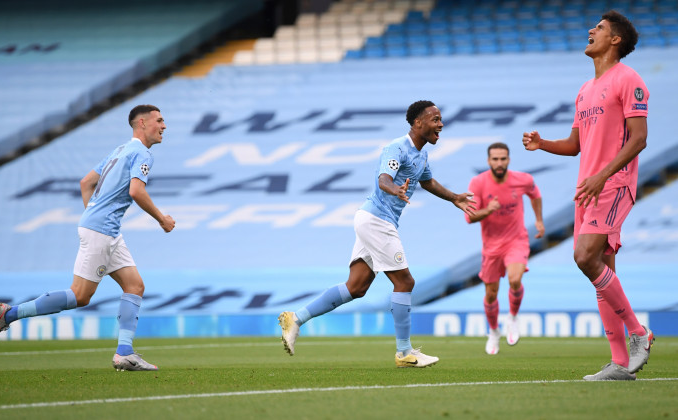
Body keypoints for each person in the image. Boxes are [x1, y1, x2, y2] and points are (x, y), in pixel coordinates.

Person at [279, 100, 476, 367]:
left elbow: (427, 181)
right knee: (405, 282)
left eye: (440, 119)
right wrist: (394, 189)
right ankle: (404, 352)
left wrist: (454, 197)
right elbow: (384, 178)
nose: (440, 124)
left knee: (356, 287)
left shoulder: (421, 154)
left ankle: (296, 318)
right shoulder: (396, 148)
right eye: (435, 119)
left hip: (374, 220)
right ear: (418, 123)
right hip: (376, 221)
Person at [0, 104, 176, 371]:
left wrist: (93, 214)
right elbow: (136, 191)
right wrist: (162, 219)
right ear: (142, 123)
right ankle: (10, 314)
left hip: (105, 229)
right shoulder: (142, 154)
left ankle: (124, 353)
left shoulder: (120, 150)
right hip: (102, 230)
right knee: (80, 295)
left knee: (135, 286)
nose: (164, 126)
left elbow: (85, 183)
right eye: (159, 120)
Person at [522, 11, 654, 381]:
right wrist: (542, 143)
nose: (591, 30)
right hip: (588, 189)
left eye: (599, 28)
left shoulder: (629, 79)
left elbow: (640, 138)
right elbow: (575, 145)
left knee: (584, 257)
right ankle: (619, 364)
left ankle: (640, 335)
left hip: (613, 184)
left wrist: (604, 175)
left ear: (615, 41)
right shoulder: (585, 90)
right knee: (602, 271)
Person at [465, 142, 544, 355]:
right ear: (488, 161)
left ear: (508, 160)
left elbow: (535, 194)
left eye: (503, 159)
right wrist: (488, 209)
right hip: (491, 246)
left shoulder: (523, 180)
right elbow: (469, 216)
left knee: (515, 279)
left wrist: (538, 220)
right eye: (495, 159)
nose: (499, 163)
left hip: (516, 240)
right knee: (491, 294)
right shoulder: (478, 183)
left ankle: (513, 317)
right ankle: (493, 331)